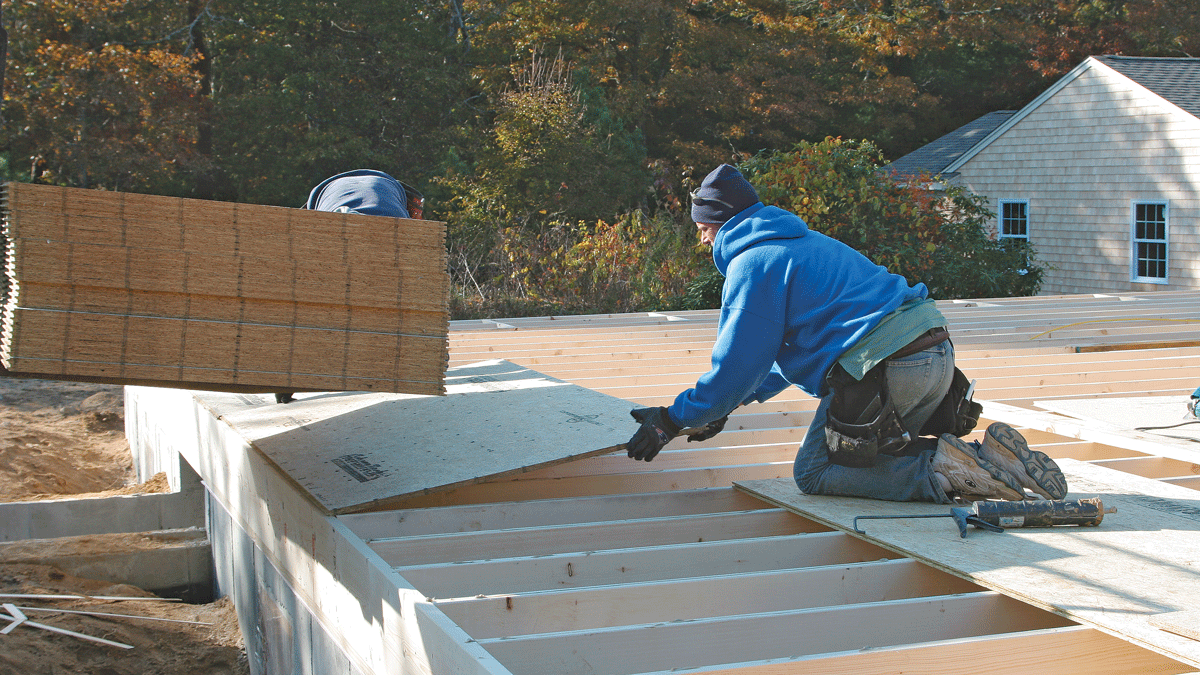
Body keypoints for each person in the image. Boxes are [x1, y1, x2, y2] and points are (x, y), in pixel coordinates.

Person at [625, 164, 1067, 503]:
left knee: (815, 472)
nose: (703, 242)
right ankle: (989, 459)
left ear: (722, 223)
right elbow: (777, 359)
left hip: (888, 366)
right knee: (870, 459)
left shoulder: (752, 264)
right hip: (936, 357)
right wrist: (719, 408)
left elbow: (737, 366)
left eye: (703, 229)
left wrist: (672, 419)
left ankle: (946, 470)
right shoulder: (803, 244)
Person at [275, 169, 424, 404]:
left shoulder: (321, 194)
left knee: (313, 307)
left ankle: (285, 382)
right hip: (389, 231)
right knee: (405, 297)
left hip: (336, 226)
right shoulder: (393, 193)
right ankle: (426, 354)